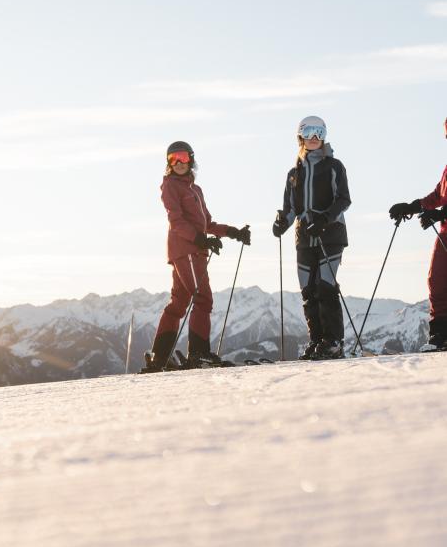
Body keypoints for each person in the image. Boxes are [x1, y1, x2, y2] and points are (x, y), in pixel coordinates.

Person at [146, 140, 251, 371]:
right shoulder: (170, 186)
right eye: (173, 159)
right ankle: (199, 354)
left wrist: (233, 232)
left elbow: (208, 224)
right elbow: (176, 222)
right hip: (187, 250)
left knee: (179, 303)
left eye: (183, 157)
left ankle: (159, 357)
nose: (179, 163)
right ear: (168, 163)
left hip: (194, 250)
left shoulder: (195, 189)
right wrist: (200, 239)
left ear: (191, 159)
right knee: (202, 298)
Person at [273, 116, 352, 360]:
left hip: (330, 235)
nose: (315, 137)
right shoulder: (293, 174)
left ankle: (333, 342)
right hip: (304, 237)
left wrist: (324, 219)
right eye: (309, 132)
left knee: (325, 287)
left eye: (319, 132)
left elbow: (343, 199)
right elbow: (291, 208)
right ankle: (317, 340)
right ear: (301, 137)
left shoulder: (334, 166)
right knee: (308, 291)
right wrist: (281, 223)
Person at [389, 117, 447, 351]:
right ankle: (441, 335)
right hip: (445, 234)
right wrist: (412, 207)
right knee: (437, 281)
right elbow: (437, 195)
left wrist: (440, 215)